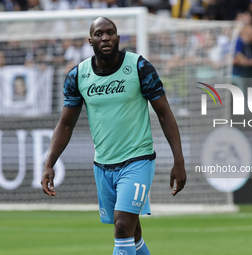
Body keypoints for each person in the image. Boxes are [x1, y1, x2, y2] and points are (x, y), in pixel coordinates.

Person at [41, 17, 187, 255]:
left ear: (118, 38)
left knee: (122, 227)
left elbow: (164, 114)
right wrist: (49, 164)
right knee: (134, 236)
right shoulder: (78, 76)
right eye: (99, 34)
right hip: (103, 166)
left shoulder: (139, 67)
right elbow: (66, 124)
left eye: (110, 33)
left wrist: (178, 161)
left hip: (138, 161)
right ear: (90, 41)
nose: (105, 37)